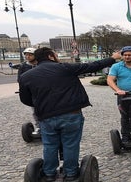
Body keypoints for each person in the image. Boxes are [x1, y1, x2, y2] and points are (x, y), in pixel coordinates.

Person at [18, 47, 119, 181]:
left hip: (46, 117)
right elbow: (93, 66)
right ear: (50, 56)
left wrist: (42, 104)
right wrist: (113, 58)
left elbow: (25, 99)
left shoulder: (26, 76)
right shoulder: (65, 68)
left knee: (49, 145)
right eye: (55, 54)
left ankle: (49, 174)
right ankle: (71, 174)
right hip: (71, 113)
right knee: (70, 143)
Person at [17, 47, 41, 133]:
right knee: (35, 110)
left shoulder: (40, 65)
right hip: (31, 92)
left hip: (42, 90)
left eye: (30, 55)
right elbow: (20, 80)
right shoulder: (23, 66)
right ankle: (38, 126)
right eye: (26, 55)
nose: (28, 57)